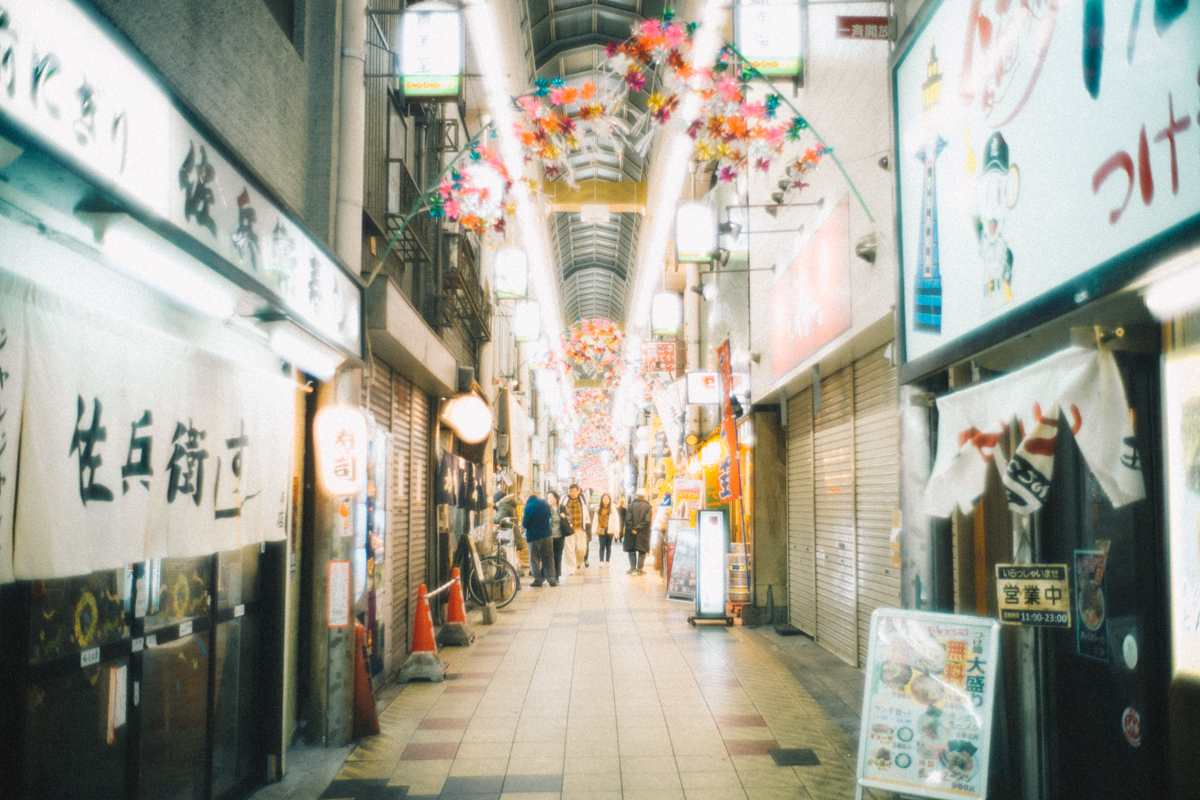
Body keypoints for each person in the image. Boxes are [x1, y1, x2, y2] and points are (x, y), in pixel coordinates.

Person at [521, 492, 557, 587]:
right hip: (547, 534)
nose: (523, 501)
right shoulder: (544, 502)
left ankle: (538, 580)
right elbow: (549, 515)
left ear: (526, 497)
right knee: (549, 558)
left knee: (534, 559)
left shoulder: (528, 506)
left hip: (534, 536)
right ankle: (551, 580)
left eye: (523, 499)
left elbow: (525, 524)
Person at [560, 483, 592, 572]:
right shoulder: (565, 499)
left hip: (580, 528)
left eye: (574, 491)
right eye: (570, 491)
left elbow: (590, 490)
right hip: (569, 528)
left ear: (578, 491)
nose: (572, 493)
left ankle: (577, 562)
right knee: (569, 549)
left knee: (581, 549)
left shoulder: (583, 498)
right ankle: (571, 568)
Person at [624, 488, 652, 575]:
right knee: (642, 550)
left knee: (631, 549)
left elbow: (627, 519)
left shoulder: (630, 506)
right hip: (643, 532)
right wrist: (638, 528)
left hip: (631, 532)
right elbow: (647, 520)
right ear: (644, 497)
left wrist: (633, 529)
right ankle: (640, 569)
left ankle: (632, 568)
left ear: (636, 496)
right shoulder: (648, 506)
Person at [593, 493, 620, 564]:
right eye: (604, 498)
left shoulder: (613, 508)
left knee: (608, 546)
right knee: (602, 545)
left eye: (607, 499)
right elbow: (595, 520)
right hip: (601, 529)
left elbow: (616, 519)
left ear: (609, 500)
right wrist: (593, 528)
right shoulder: (598, 508)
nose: (606, 500)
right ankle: (601, 561)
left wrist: (617, 529)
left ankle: (607, 561)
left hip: (610, 529)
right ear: (602, 499)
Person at [547, 490, 567, 578]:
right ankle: (548, 574)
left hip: (559, 536)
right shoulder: (546, 508)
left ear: (556, 498)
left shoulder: (562, 507)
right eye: (548, 498)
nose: (550, 500)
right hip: (548, 536)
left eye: (552, 498)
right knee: (548, 556)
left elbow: (571, 517)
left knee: (558, 556)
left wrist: (565, 516)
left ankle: (557, 575)